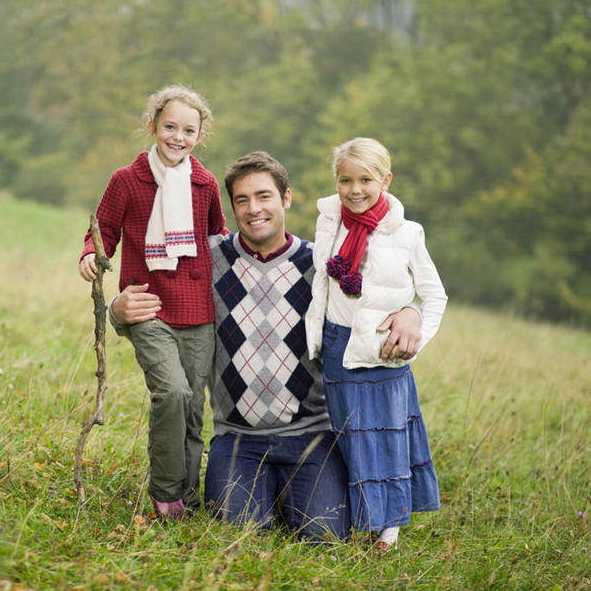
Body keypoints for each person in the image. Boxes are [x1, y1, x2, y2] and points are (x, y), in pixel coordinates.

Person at [112, 151, 422, 542]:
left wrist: (411, 312)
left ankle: (292, 492)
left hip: (312, 435)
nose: (254, 209)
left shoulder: (321, 264)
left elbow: (382, 292)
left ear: (286, 198)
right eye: (242, 200)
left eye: (264, 196)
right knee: (237, 537)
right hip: (238, 438)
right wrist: (118, 309)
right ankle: (266, 495)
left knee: (323, 536)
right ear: (232, 208)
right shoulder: (208, 261)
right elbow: (154, 295)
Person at [78, 85, 227, 519]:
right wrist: (91, 254)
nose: (178, 137)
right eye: (170, 127)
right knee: (172, 393)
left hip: (199, 311)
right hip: (148, 306)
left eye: (188, 130)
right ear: (152, 127)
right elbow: (104, 229)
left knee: (193, 409)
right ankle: (165, 494)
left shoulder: (205, 184)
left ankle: (188, 495)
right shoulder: (127, 180)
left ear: (199, 136)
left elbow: (217, 238)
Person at [304, 137, 447, 552]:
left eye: (365, 180)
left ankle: (389, 528)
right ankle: (360, 514)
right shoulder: (329, 221)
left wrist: (414, 331)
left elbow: (434, 295)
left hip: (383, 353)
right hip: (337, 346)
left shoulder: (406, 233)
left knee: (387, 436)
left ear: (385, 180)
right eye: (345, 180)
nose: (355, 190)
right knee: (350, 436)